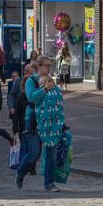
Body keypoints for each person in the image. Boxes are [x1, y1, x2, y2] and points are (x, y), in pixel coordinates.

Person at [22, 58, 67, 192]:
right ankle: (20, 172)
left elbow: (56, 99)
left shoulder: (50, 80)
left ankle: (49, 183)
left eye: (50, 66)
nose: (49, 69)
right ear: (39, 67)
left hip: (51, 123)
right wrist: (45, 90)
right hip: (34, 121)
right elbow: (31, 97)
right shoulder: (31, 81)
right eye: (47, 66)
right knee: (34, 154)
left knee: (51, 155)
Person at [10, 63, 34, 138]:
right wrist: (11, 106)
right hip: (21, 115)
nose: (27, 73)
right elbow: (12, 94)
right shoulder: (19, 81)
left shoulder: (36, 81)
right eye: (26, 71)